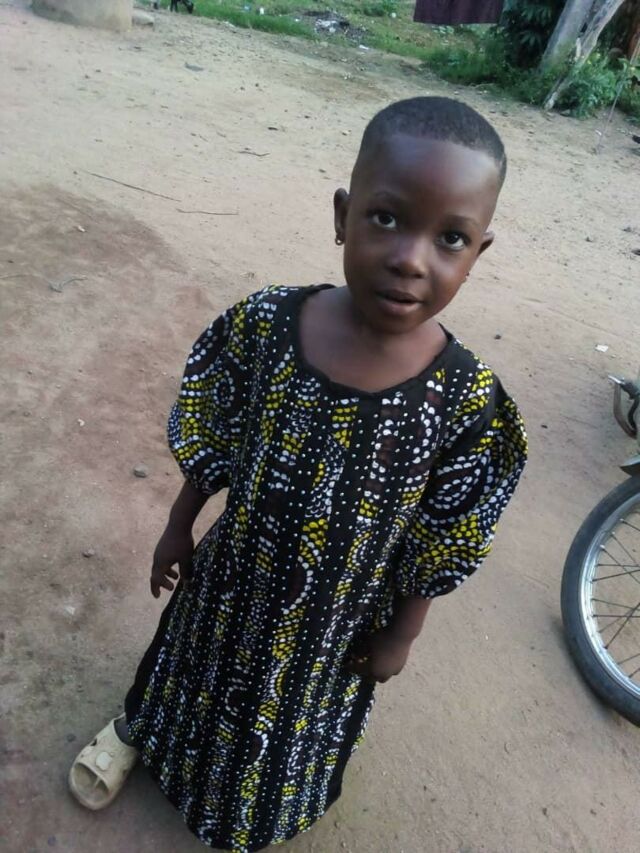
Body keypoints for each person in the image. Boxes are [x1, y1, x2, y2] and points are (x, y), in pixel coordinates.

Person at [68, 96, 528, 852]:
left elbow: (444, 538)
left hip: (334, 623)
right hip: (231, 582)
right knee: (189, 667)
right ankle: (140, 729)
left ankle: (249, 814)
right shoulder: (268, 326)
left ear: (478, 252)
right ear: (344, 215)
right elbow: (218, 433)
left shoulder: (468, 404)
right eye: (387, 218)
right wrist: (178, 524)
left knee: (287, 724)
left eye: (450, 237)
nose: (412, 258)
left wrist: (403, 633)